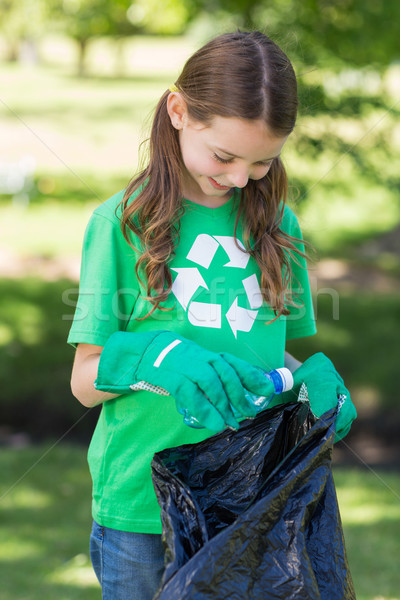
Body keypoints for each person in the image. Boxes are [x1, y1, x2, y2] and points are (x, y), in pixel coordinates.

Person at [68, 30, 355, 600]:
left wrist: (304, 384)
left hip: (251, 502)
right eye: (224, 155)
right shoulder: (119, 225)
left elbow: (267, 356)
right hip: (142, 508)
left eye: (263, 161)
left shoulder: (279, 226)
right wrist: (155, 360)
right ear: (178, 111)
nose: (242, 177)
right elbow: (84, 381)